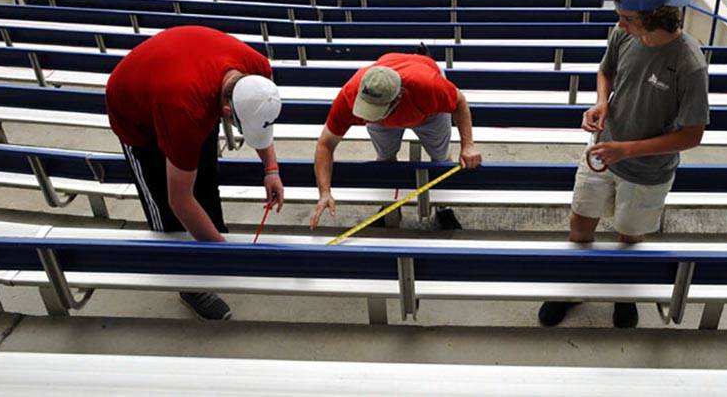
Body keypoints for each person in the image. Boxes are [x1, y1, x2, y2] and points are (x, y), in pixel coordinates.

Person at [538, 0, 709, 330]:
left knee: (631, 236)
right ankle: (571, 288)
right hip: (603, 152)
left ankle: (623, 293)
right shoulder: (624, 35)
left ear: (654, 18)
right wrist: (602, 102)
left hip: (648, 171)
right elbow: (606, 71)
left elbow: (692, 136)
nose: (619, 25)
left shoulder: (689, 65)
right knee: (579, 225)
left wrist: (627, 150)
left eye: (627, 18)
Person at [106, 25, 284, 321]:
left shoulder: (258, 71)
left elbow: (260, 120)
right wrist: (230, 258)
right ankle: (189, 283)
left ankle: (212, 242)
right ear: (227, 110)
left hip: (182, 82)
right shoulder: (186, 110)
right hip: (136, 114)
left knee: (205, 180)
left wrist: (271, 168)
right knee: (166, 206)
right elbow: (180, 200)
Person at [310, 52, 481, 231]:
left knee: (440, 157)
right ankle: (391, 205)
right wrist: (324, 192)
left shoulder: (428, 86)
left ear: (398, 99)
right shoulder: (351, 94)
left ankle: (443, 206)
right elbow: (325, 144)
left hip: (429, 114)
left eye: (375, 111)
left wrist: (468, 145)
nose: (368, 116)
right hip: (395, 105)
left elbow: (460, 101)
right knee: (385, 158)